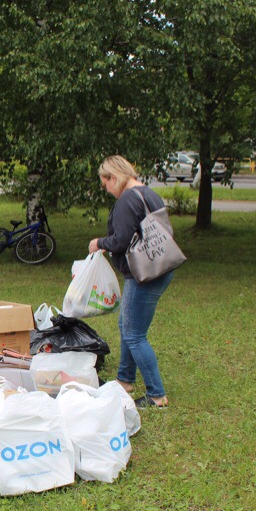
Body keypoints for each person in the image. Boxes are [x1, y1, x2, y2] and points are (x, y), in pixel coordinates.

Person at [89, 155, 174, 409]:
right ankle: (124, 380)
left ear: (113, 178)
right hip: (159, 268)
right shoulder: (148, 193)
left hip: (144, 274)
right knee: (126, 324)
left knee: (135, 334)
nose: (106, 189)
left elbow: (121, 240)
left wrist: (99, 243)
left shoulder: (127, 199)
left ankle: (156, 395)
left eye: (105, 183)